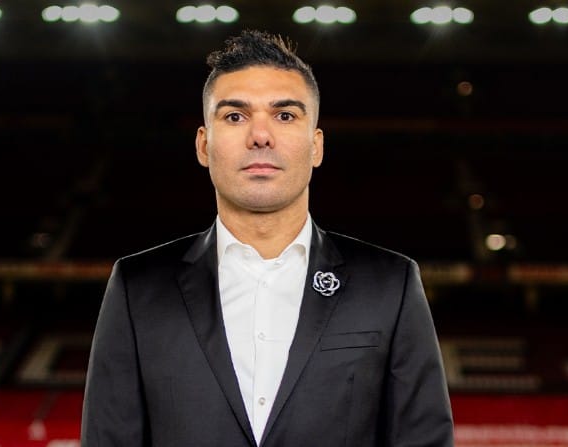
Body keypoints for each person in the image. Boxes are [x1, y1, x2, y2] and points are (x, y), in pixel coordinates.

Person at [81, 29, 453, 447]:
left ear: (316, 146)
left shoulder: (390, 284)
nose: (260, 136)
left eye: (285, 116)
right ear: (203, 145)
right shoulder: (137, 287)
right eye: (235, 116)